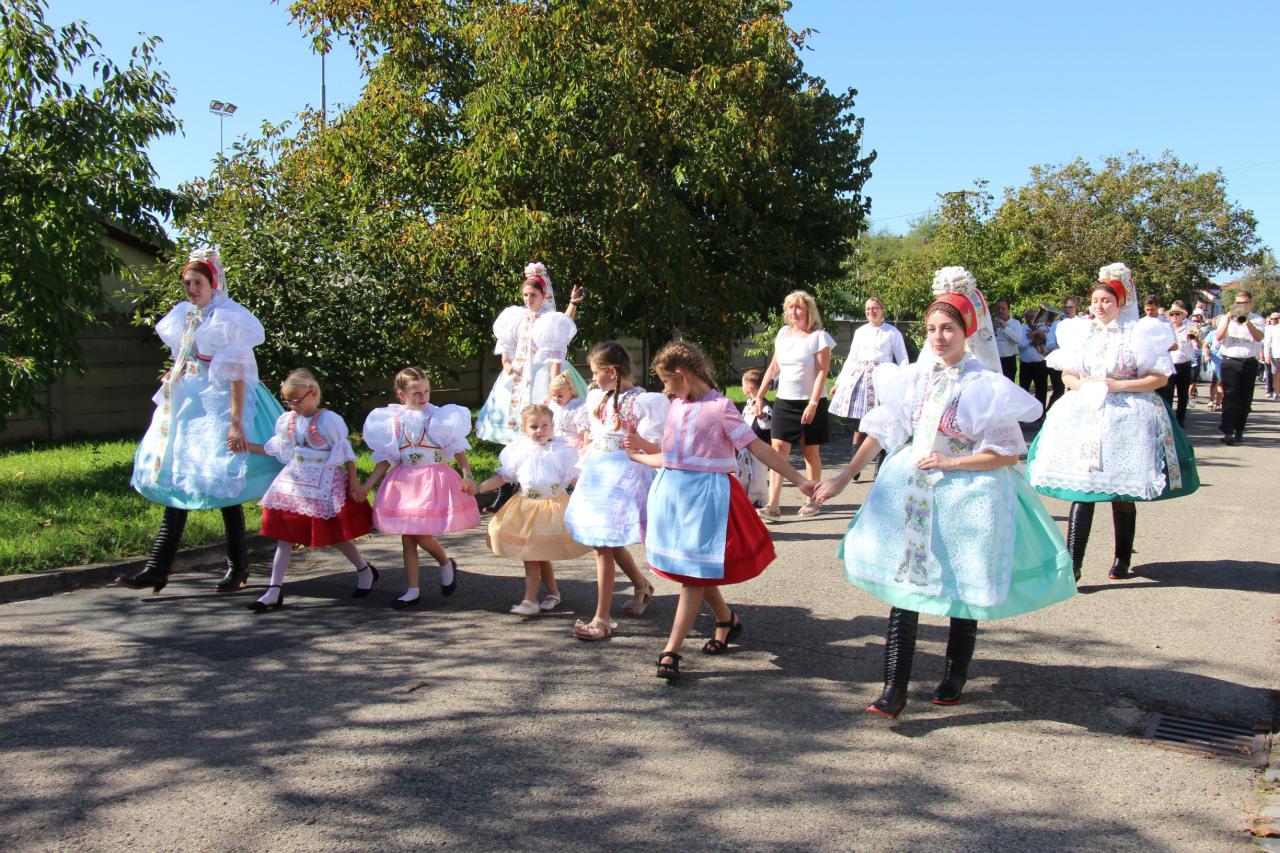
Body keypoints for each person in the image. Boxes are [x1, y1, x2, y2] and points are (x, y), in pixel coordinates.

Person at [812, 267, 1075, 719]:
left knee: (961, 587)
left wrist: (952, 462)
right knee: (905, 587)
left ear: (966, 331)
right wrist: (843, 476)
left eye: (948, 328)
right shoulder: (913, 378)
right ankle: (893, 689)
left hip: (968, 496)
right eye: (932, 328)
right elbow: (884, 430)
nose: (938, 337)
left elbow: (1006, 453)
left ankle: (954, 677)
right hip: (912, 488)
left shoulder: (984, 385)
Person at [628, 341, 816, 679]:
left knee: (693, 576)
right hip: (674, 498)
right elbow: (671, 456)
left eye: (667, 381)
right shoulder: (676, 406)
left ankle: (671, 651)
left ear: (682, 375)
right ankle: (726, 620)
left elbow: (758, 448)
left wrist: (799, 480)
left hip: (706, 501)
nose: (666, 389)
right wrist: (638, 455)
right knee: (695, 570)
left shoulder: (721, 408)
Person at [118, 247, 283, 594]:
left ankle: (238, 566)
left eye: (198, 283)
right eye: (188, 283)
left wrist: (236, 423)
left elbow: (237, 375)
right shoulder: (185, 315)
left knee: (223, 482)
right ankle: (157, 568)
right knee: (178, 479)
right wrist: (175, 372)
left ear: (213, 284)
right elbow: (187, 356)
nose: (192, 289)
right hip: (190, 407)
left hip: (220, 407)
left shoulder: (228, 319)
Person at [1028, 263, 1199, 581]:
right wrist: (1083, 386)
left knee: (1122, 492)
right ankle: (1073, 564)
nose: (1099, 306)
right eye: (1095, 300)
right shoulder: (1081, 332)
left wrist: (1118, 385)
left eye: (1106, 300)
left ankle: (1122, 557)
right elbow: (1067, 375)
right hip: (1086, 414)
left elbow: (1159, 378)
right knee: (1084, 489)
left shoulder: (1139, 334)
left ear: (1120, 303)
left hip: (1127, 417)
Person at [244, 369, 376, 611]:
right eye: (288, 401)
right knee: (284, 535)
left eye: (297, 400)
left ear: (313, 393)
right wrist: (247, 446)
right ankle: (274, 590)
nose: (293, 405)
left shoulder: (328, 421)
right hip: (294, 482)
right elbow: (280, 449)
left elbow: (346, 453)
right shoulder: (288, 421)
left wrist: (354, 483)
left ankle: (364, 569)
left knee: (335, 535)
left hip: (323, 482)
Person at [563, 341, 670, 640]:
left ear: (612, 371)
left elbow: (658, 448)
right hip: (598, 472)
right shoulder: (597, 397)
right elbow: (594, 435)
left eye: (595, 372)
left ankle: (602, 618)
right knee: (605, 541)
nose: (592, 378)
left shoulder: (644, 402)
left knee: (603, 543)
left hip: (624, 474)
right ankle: (642, 585)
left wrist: (639, 442)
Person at [359, 367, 480, 608]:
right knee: (408, 538)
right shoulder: (393, 422)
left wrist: (467, 475)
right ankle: (412, 590)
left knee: (421, 536)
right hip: (406, 482)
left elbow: (458, 449)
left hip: (431, 481)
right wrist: (367, 486)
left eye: (426, 391)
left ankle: (445, 562)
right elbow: (385, 459)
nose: (423, 397)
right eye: (416, 393)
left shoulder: (439, 418)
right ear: (402, 395)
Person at [476, 262, 588, 513]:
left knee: (544, 429)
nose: (528, 300)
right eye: (526, 295)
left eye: (533, 295)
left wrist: (553, 388)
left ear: (542, 295)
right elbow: (506, 349)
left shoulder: (550, 320)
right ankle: (506, 489)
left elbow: (556, 352)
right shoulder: (515, 317)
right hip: (517, 379)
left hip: (541, 378)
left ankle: (550, 483)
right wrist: (507, 365)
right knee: (514, 432)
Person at [476, 404, 589, 616]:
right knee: (535, 553)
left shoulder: (561, 452)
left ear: (552, 427)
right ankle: (552, 594)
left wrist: (589, 497)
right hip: (524, 507)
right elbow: (502, 478)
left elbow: (575, 480)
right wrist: (479, 488)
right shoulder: (518, 451)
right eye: (534, 426)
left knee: (535, 554)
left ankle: (530, 600)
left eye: (545, 426)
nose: (540, 430)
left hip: (552, 508)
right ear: (524, 429)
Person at [751, 291, 835, 518]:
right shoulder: (782, 334)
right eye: (790, 307)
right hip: (784, 401)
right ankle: (773, 505)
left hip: (811, 402)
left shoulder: (819, 337)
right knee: (778, 452)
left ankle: (813, 500)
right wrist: (760, 395)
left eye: (798, 307)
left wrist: (813, 403)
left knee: (810, 452)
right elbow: (773, 367)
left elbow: (822, 372)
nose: (794, 312)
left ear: (809, 311)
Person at [1214, 289, 1265, 444]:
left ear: (1250, 304)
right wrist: (1228, 319)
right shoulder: (1226, 318)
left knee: (1245, 399)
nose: (1240, 306)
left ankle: (1239, 430)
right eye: (1237, 303)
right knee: (1230, 396)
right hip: (1230, 361)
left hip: (1249, 361)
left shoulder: (1257, 319)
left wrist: (1246, 321)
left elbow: (1259, 337)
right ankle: (1227, 431)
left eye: (1244, 303)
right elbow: (1218, 337)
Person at [735, 368, 771, 507]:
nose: (742, 388)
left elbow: (768, 424)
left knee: (758, 473)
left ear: (749, 387)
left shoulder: (765, 406)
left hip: (760, 447)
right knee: (743, 472)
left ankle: (759, 499)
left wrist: (762, 416)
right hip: (746, 446)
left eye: (742, 385)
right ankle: (745, 496)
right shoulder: (748, 405)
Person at [1165, 302, 1196, 426]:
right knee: (1168, 393)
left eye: (1177, 314)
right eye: (1172, 314)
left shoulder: (1190, 325)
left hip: (1184, 364)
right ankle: (1169, 419)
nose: (1175, 316)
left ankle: (1180, 419)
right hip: (1170, 364)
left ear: (1183, 315)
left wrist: (1195, 337)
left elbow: (1197, 343)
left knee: (1183, 394)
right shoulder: (1166, 327)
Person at [1045, 296, 1079, 409]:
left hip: (1075, 360)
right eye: (1065, 307)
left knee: (1074, 390)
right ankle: (1050, 413)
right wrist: (1062, 349)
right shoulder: (1057, 324)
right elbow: (1050, 343)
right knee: (1058, 390)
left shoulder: (1081, 323)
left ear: (1075, 307)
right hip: (1060, 359)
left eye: (1070, 307)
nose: (1067, 310)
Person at [1017, 308, 1050, 410]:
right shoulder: (1022, 329)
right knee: (1024, 391)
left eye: (1033, 316)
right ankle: (1025, 413)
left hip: (1040, 365)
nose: (1030, 318)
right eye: (1028, 317)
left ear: (1037, 317)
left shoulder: (1043, 328)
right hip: (1025, 366)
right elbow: (1020, 346)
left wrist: (1040, 337)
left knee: (1041, 390)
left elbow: (1048, 345)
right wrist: (1032, 341)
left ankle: (1041, 413)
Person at [547, 372, 588, 451]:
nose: (556, 399)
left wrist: (584, 450)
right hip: (555, 442)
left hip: (573, 445)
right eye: (553, 395)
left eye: (560, 396)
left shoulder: (578, 407)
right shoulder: (553, 405)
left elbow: (586, 431)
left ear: (571, 391)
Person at [993, 298, 1024, 383]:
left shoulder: (1015, 323)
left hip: (1009, 361)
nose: (1000, 311)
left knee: (1009, 385)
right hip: (995, 360)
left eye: (1003, 308)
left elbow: (1018, 340)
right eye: (998, 308)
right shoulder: (992, 322)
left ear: (1009, 309)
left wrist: (1005, 327)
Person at [1265, 313, 1280, 400]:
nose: (1273, 320)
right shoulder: (1269, 329)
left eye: (1276, 319)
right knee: (1275, 375)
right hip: (1275, 355)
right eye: (1272, 319)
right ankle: (1277, 393)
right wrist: (1266, 356)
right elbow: (1267, 343)